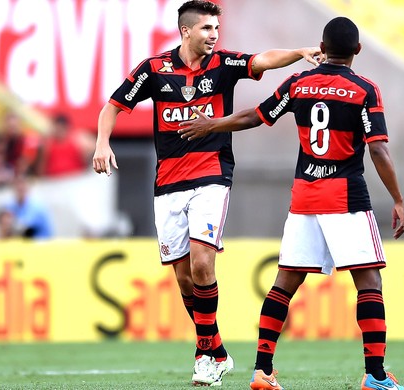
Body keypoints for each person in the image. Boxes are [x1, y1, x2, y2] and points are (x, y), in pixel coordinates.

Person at [91, 0, 322, 386]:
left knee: (202, 264)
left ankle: (203, 355)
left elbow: (263, 60)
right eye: (206, 29)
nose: (214, 35)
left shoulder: (223, 65)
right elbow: (113, 106)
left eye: (216, 28)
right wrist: (102, 143)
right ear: (186, 31)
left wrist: (298, 53)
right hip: (167, 183)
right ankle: (214, 347)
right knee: (183, 278)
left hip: (212, 175)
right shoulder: (154, 70)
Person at [179, 16, 404, 390]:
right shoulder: (365, 89)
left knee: (283, 285)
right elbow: (379, 148)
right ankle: (376, 375)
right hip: (346, 196)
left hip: (304, 197)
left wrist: (212, 124)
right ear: (357, 50)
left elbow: (256, 116)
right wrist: (397, 199)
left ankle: (262, 371)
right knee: (369, 281)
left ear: (321, 46)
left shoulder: (298, 83)